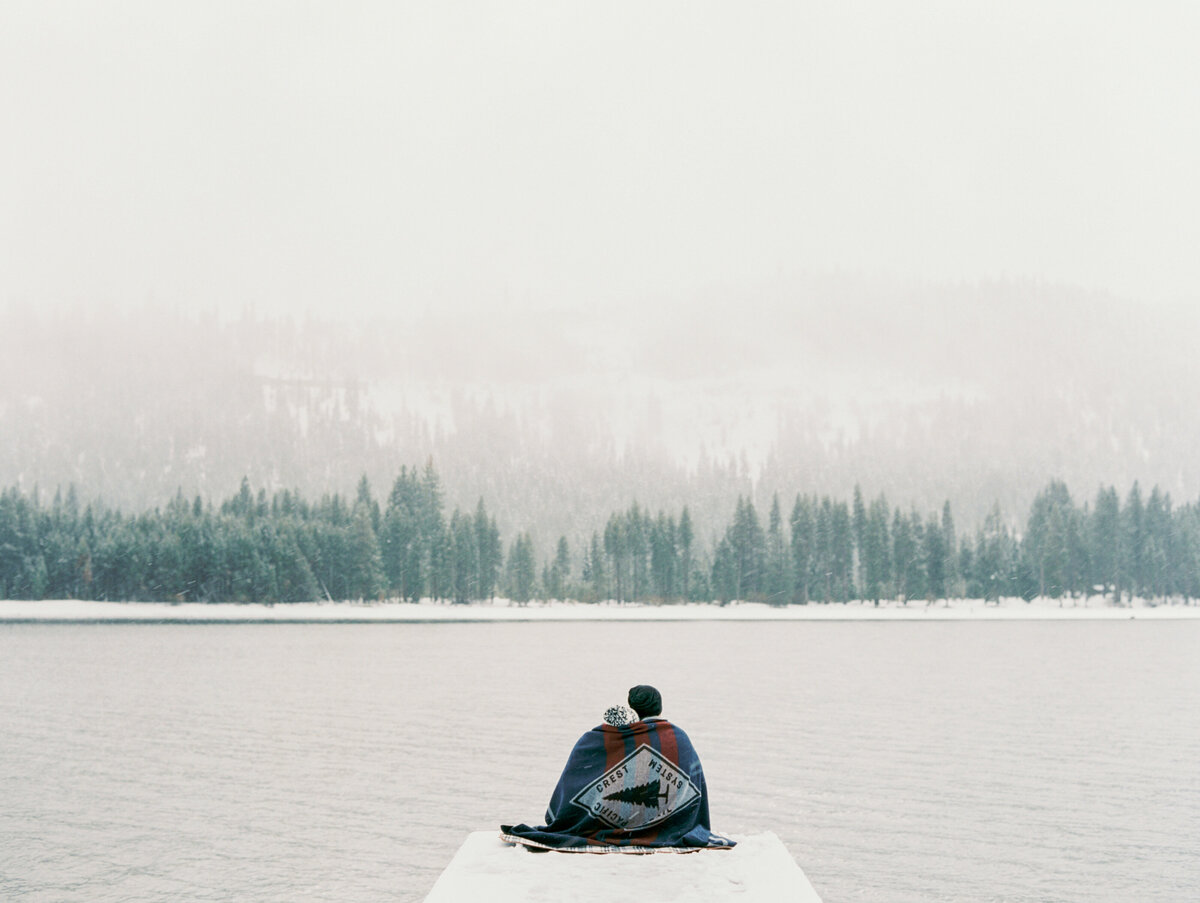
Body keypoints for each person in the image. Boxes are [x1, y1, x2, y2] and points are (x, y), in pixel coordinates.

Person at [501, 685, 735, 851]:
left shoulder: (598, 738)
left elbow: (573, 783)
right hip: (669, 825)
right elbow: (694, 785)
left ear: (631, 706)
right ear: (660, 707)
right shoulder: (678, 737)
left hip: (603, 823)